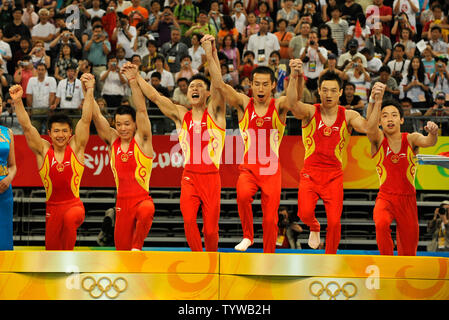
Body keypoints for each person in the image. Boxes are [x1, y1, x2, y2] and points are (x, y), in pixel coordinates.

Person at [203, 33, 296, 253]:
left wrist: (295, 75)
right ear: (250, 85)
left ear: (273, 85)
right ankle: (248, 236)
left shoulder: (279, 105)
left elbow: (293, 100)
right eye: (257, 84)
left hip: (271, 170)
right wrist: (211, 52)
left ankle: (269, 253)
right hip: (249, 168)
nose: (261, 89)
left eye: (265, 84)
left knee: (271, 218)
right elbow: (218, 84)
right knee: (243, 196)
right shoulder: (244, 104)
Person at [134, 37, 226, 252]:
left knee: (211, 230)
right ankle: (197, 257)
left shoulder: (215, 113)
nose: (194, 88)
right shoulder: (180, 114)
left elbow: (219, 82)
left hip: (212, 178)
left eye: (199, 86)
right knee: (188, 221)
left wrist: (209, 51)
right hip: (189, 177)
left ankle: (212, 260)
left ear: (207, 93)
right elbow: (155, 97)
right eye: (191, 86)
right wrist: (137, 76)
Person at [286, 60, 370, 254]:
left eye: (333, 90)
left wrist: (374, 103)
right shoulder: (310, 111)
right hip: (310, 173)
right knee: (304, 213)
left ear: (340, 92)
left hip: (333, 176)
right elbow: (291, 104)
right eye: (325, 90)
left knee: (334, 221)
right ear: (319, 91)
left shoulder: (348, 115)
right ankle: (314, 227)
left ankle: (330, 255)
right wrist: (294, 75)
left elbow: (366, 128)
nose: (329, 94)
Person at [9, 74, 94, 250]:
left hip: (74, 206)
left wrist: (90, 90)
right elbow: (27, 127)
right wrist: (18, 101)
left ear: (71, 132)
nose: (60, 135)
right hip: (53, 209)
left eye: (64, 131)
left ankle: (69, 259)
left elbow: (85, 119)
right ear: (49, 133)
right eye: (56, 131)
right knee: (52, 251)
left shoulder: (77, 148)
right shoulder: (43, 151)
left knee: (70, 219)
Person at [366, 83, 438, 256]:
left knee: (409, 252)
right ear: (380, 121)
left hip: (408, 201)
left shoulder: (412, 139)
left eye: (394, 115)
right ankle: (387, 260)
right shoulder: (378, 141)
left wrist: (433, 133)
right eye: (385, 116)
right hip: (386, 198)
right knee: (381, 223)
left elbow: (429, 142)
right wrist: (376, 101)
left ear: (401, 119)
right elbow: (370, 128)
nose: (390, 119)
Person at [91, 63, 155, 251]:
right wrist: (89, 90)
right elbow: (97, 116)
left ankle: (137, 246)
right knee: (121, 249)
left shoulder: (142, 140)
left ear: (134, 124)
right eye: (119, 124)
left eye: (127, 124)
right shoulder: (113, 141)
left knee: (147, 209)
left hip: (141, 199)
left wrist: (133, 81)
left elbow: (142, 111)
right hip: (122, 204)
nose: (123, 128)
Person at [0, 95, 17, 251]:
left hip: (4, 188)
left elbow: (13, 165)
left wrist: (9, 179)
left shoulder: (8, 132)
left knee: (4, 231)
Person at [25, 63, 57, 133]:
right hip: (35, 109)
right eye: (39, 69)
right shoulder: (31, 80)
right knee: (34, 131)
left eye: (42, 70)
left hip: (47, 109)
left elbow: (52, 95)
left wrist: (50, 109)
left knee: (49, 131)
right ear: (36, 71)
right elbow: (29, 96)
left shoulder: (51, 80)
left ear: (45, 71)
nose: (40, 71)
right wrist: (30, 109)